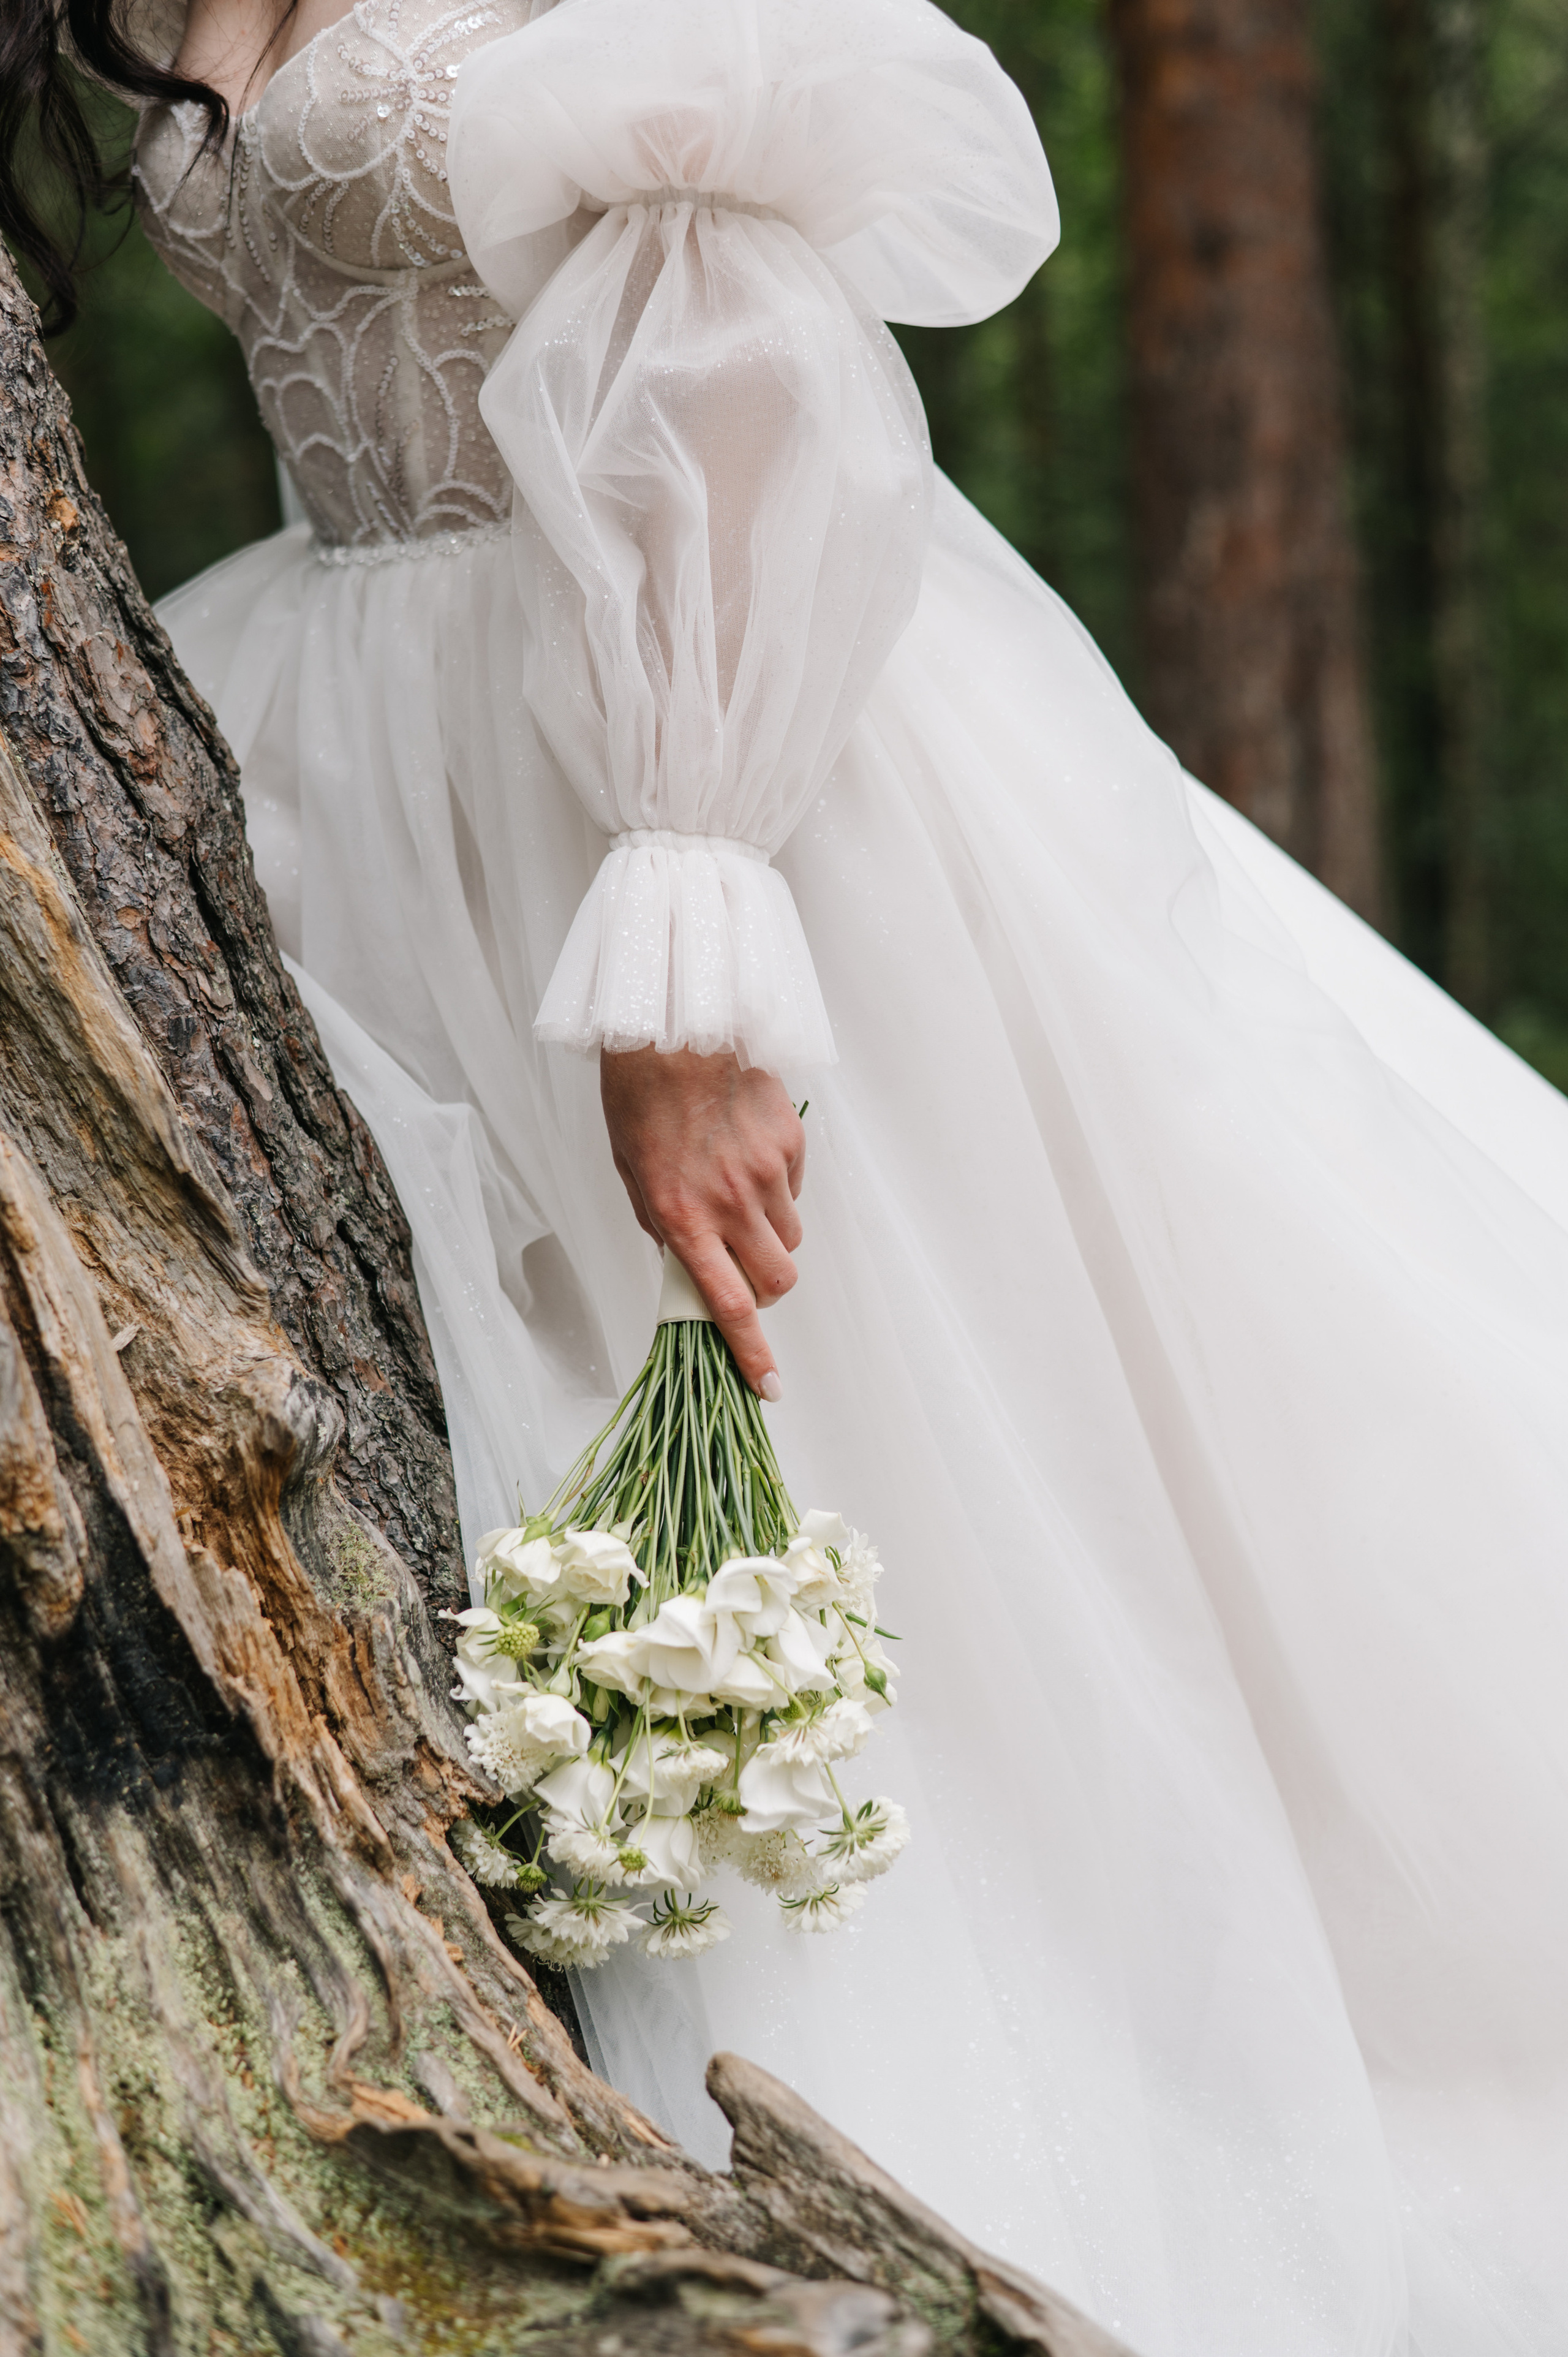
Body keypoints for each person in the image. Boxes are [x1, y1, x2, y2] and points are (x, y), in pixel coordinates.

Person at [7, 0, 1568, 2348]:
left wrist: (690, 910)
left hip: (669, 738)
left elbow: (739, 347)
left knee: (926, 1468)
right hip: (366, 758)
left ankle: (1128, 2112)